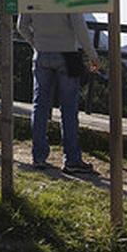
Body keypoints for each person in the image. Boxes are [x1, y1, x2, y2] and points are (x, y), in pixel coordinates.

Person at [17, 11, 101, 172]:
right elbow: (79, 27)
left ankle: (39, 157)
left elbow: (22, 26)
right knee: (69, 108)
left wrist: (36, 44)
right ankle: (72, 160)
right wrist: (92, 55)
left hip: (41, 54)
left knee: (40, 106)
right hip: (69, 54)